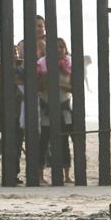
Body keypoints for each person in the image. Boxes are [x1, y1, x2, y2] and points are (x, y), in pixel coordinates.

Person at [38, 38, 74, 184]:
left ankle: (66, 175)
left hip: (64, 107)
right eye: (56, 47)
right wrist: (44, 82)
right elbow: (37, 88)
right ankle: (40, 176)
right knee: (44, 141)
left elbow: (74, 87)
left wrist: (58, 84)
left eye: (61, 47)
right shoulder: (42, 65)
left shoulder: (70, 65)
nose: (59, 50)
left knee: (64, 141)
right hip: (46, 107)